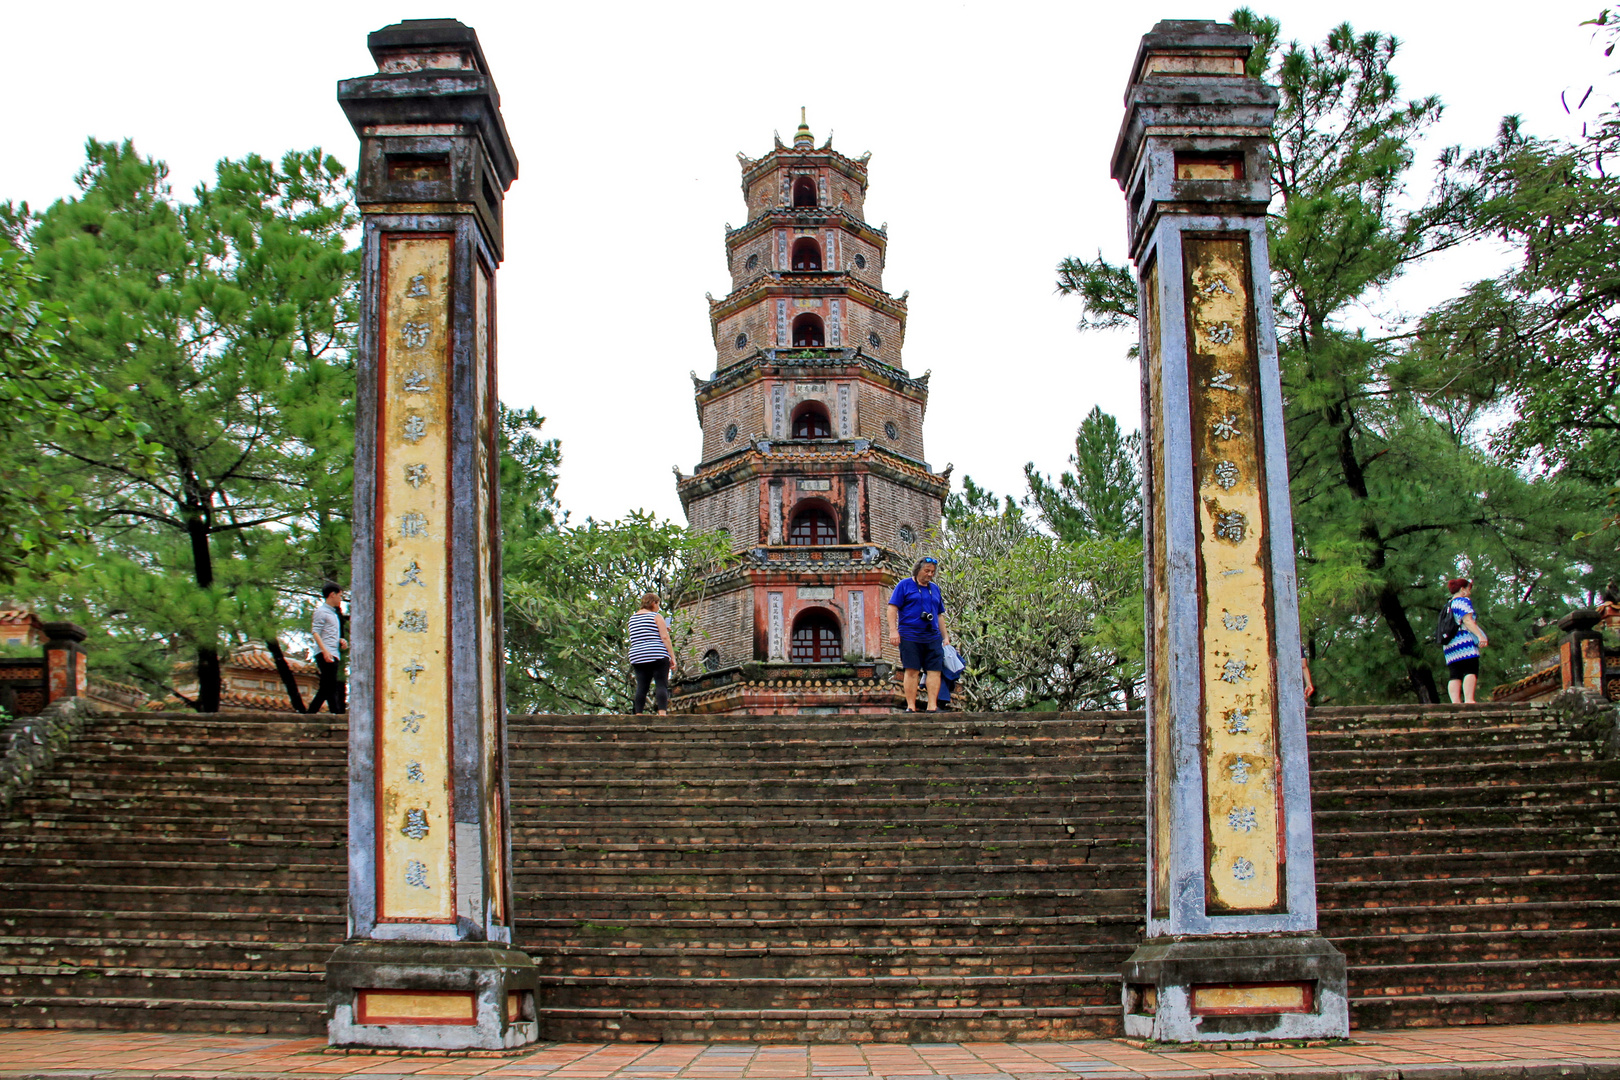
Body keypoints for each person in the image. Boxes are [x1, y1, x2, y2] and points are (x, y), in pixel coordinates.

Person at [888, 557, 951, 712]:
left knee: (934, 671)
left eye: (932, 572)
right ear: (918, 570)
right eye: (927, 571)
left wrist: (946, 636)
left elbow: (939, 614)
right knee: (912, 670)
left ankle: (932, 706)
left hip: (932, 635)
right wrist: (893, 630)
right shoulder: (904, 585)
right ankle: (911, 706)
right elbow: (892, 608)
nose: (930, 574)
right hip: (910, 635)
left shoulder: (934, 589)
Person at [627, 592, 675, 715]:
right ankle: (662, 713)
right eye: (658, 604)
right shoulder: (656, 616)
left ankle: (638, 714)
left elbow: (638, 635)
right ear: (654, 603)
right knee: (661, 684)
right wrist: (672, 657)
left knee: (642, 686)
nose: (658, 607)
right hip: (656, 654)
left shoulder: (632, 619)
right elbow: (664, 637)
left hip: (637, 655)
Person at [1443, 577, 1489, 704]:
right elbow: (1468, 621)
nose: (1469, 592)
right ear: (1462, 589)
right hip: (1463, 641)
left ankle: (1455, 702)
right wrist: (1480, 636)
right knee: (1470, 669)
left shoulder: (1448, 605)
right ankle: (1469, 700)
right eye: (1469, 589)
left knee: (1455, 673)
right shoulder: (1463, 601)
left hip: (1449, 643)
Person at [307, 582, 348, 714]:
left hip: (333, 652)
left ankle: (332, 712)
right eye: (340, 595)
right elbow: (316, 632)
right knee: (327, 686)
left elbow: (330, 633)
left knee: (329, 686)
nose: (340, 599)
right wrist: (325, 651)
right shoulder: (321, 612)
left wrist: (340, 640)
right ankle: (313, 714)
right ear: (332, 595)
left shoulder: (333, 614)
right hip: (326, 652)